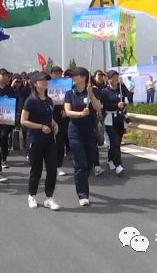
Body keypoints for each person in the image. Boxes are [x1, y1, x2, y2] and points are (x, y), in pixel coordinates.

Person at [21, 72, 61, 210]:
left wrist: (54, 124)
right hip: (35, 139)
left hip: (49, 140)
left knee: (52, 169)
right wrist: (40, 127)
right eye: (41, 80)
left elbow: (49, 117)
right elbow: (23, 121)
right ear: (34, 83)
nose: (44, 82)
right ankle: (32, 195)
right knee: (36, 170)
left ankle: (49, 197)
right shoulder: (30, 100)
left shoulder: (49, 100)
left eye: (46, 80)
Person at [64, 67, 102, 207]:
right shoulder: (69, 93)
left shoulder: (94, 90)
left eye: (75, 75)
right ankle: (82, 194)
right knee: (80, 163)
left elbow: (98, 108)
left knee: (89, 162)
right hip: (75, 132)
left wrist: (91, 94)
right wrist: (80, 114)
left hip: (90, 132)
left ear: (84, 77)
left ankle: (81, 179)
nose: (73, 78)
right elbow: (67, 112)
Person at [100, 70, 129, 176]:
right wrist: (117, 105)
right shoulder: (105, 91)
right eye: (113, 77)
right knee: (114, 142)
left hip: (119, 118)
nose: (115, 79)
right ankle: (118, 165)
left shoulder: (121, 89)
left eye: (117, 77)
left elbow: (128, 96)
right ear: (108, 79)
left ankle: (110, 158)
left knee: (117, 142)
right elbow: (105, 105)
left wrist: (123, 84)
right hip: (109, 118)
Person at [0, 68, 16, 169]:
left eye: (7, 75)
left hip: (6, 119)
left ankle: (3, 158)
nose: (6, 77)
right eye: (3, 75)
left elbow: (13, 103)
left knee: (4, 137)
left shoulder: (10, 90)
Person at [50, 66, 69, 176]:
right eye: (55, 73)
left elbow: (68, 99)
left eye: (59, 73)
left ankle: (58, 165)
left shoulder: (66, 85)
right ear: (51, 74)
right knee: (49, 141)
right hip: (48, 113)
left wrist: (64, 109)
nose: (57, 75)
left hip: (61, 114)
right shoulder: (46, 84)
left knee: (60, 141)